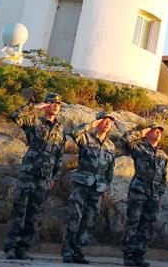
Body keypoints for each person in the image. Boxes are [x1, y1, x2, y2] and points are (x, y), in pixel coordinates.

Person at [4, 92, 66, 260]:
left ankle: (23, 249)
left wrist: (55, 178)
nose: (55, 106)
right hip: (29, 173)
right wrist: (37, 106)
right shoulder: (34, 122)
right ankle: (11, 248)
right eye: (52, 103)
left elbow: (59, 156)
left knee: (34, 214)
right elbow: (15, 115)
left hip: (44, 178)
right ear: (46, 105)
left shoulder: (60, 130)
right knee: (19, 211)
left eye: (58, 104)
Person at [62, 111, 117, 264]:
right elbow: (74, 133)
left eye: (110, 121)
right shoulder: (86, 137)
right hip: (82, 183)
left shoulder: (110, 145)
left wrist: (106, 187)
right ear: (97, 122)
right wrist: (91, 124)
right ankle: (68, 252)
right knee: (75, 218)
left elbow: (110, 169)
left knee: (89, 220)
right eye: (104, 120)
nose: (108, 123)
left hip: (98, 187)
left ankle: (79, 252)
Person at [121, 124, 168, 267]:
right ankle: (128, 255)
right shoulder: (139, 148)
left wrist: (160, 193)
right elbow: (125, 140)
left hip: (153, 195)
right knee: (133, 222)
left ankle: (139, 255)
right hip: (138, 191)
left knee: (147, 225)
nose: (158, 133)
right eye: (155, 130)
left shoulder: (163, 156)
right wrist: (142, 132)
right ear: (148, 133)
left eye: (160, 131)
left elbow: (163, 177)